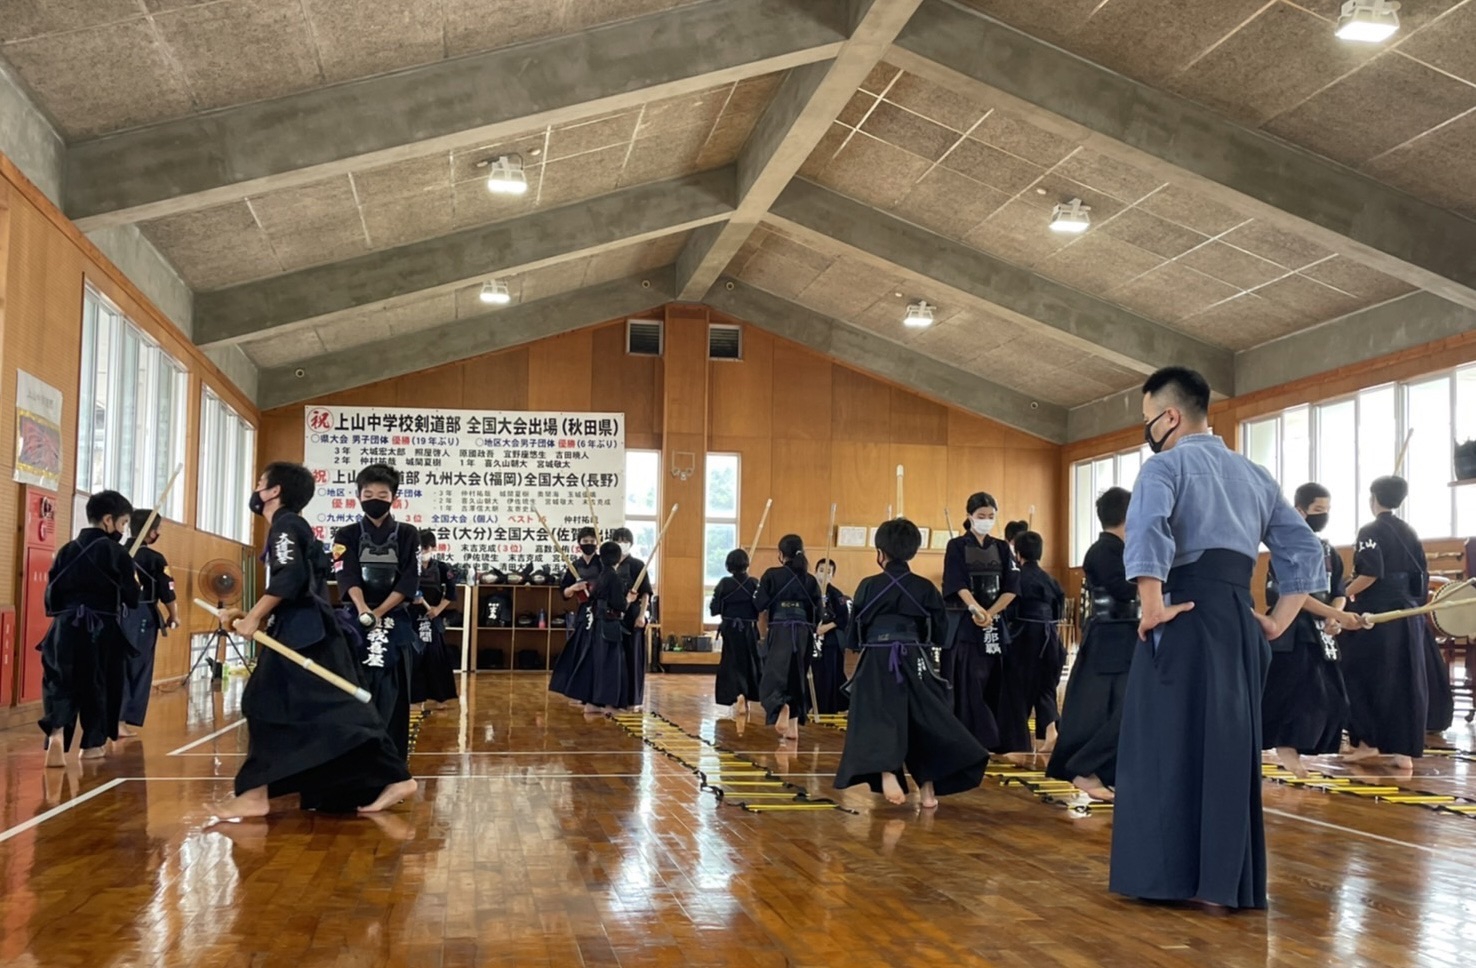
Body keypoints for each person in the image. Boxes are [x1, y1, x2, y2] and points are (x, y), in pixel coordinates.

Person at [1112, 366, 1325, 911]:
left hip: (1182, 615)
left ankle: (1165, 879)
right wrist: (1277, 618)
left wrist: (1153, 605)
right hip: (1238, 617)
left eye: (1146, 418)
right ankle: (1223, 883)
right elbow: (1306, 551)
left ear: (1170, 416)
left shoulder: (1164, 468)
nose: (1147, 429)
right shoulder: (1255, 475)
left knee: (1163, 744)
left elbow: (1148, 531)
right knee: (1228, 748)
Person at [211, 461, 415, 820]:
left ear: (274, 491)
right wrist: (245, 614)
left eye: (261, 483)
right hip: (303, 627)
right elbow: (298, 583)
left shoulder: (286, 525)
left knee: (270, 703)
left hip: (306, 633)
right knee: (321, 708)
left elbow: (289, 578)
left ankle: (257, 795)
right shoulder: (292, 527)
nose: (257, 489)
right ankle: (393, 776)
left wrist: (256, 615)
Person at [834, 518, 988, 809]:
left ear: (880, 553)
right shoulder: (925, 587)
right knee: (925, 718)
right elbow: (940, 633)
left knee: (874, 716)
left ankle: (887, 772)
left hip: (877, 656)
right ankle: (927, 788)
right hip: (916, 656)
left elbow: (855, 633)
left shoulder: (868, 585)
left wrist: (862, 642)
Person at [1262, 483, 1359, 777]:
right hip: (1290, 629)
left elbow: (1338, 589)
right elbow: (1295, 596)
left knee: (1332, 694)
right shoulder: (1285, 547)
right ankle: (1285, 746)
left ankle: (1305, 745)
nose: (1323, 516)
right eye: (1318, 510)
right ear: (1299, 510)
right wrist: (1334, 614)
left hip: (1322, 633)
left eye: (1327, 510)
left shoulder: (1329, 549)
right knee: (1292, 692)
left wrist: (1336, 615)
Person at [1046, 487, 1136, 800]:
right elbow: (1126, 590)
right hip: (1111, 636)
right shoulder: (1103, 551)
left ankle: (1102, 771)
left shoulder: (1122, 548)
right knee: (1109, 709)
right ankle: (1085, 769)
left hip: (1125, 636)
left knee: (1120, 708)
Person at [37, 490, 138, 766]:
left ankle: (56, 733)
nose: (124, 529)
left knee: (60, 681)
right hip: (100, 628)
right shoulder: (117, 553)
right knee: (98, 683)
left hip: (63, 627)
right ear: (109, 520)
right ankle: (92, 745)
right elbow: (132, 597)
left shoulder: (66, 549)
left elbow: (52, 596)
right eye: (124, 522)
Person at [1339, 476, 1433, 769]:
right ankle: (1404, 752)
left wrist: (1339, 593)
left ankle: (1367, 742)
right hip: (1407, 616)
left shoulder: (1370, 530)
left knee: (1363, 675)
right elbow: (1420, 577)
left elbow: (1370, 574)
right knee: (1405, 679)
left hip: (1376, 618)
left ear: (1373, 498)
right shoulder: (1409, 531)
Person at [332, 464, 421, 759]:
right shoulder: (345, 534)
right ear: (358, 496)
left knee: (394, 694)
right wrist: (363, 609)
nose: (374, 498)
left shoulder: (408, 534)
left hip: (394, 619)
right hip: (356, 621)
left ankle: (391, 761)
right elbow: (346, 575)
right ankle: (352, 758)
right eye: (367, 493)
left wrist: (381, 611)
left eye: (382, 494)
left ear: (393, 497)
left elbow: (410, 578)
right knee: (351, 689)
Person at [941, 493, 1019, 754]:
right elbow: (956, 582)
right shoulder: (956, 546)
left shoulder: (1002, 547)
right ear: (970, 516)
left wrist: (991, 613)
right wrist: (976, 609)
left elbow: (1011, 587)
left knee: (994, 680)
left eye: (991, 517)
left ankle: (995, 736)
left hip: (994, 623)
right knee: (967, 680)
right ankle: (969, 737)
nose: (986, 521)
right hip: (965, 622)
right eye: (981, 516)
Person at [757, 534, 822, 742]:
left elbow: (759, 605)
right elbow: (818, 613)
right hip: (803, 631)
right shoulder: (810, 579)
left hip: (781, 628)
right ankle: (794, 726)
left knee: (774, 674)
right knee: (797, 675)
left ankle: (781, 706)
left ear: (780, 554)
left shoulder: (771, 575)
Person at [119, 508, 179, 735]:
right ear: (150, 532)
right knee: (138, 666)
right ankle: (122, 720)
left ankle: (114, 718)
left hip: (114, 616)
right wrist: (174, 615)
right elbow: (167, 590)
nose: (159, 533)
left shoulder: (115, 552)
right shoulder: (154, 558)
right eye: (158, 529)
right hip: (141, 614)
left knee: (118, 665)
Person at [1009, 531, 1065, 753]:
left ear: (1018, 552)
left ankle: (1020, 742)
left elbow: (1010, 610)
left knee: (1019, 689)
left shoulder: (1016, 578)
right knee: (1046, 686)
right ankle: (1050, 731)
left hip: (1024, 636)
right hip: (1050, 636)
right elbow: (1059, 611)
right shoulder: (1051, 580)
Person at [562, 542, 629, 714]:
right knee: (610, 665)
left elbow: (591, 598)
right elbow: (619, 605)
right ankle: (608, 705)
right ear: (617, 557)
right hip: (609, 625)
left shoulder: (601, 576)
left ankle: (593, 703)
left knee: (598, 663)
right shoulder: (613, 577)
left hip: (598, 624)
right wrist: (628, 599)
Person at [548, 527, 603, 702]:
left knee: (597, 651)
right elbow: (564, 593)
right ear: (579, 544)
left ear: (597, 543)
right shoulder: (574, 566)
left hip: (601, 611)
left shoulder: (603, 564)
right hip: (582, 612)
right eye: (585, 541)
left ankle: (598, 691)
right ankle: (578, 690)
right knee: (579, 649)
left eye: (592, 541)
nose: (589, 544)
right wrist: (574, 588)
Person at [410, 529, 459, 710]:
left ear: (432, 547)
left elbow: (452, 592)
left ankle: (440, 698)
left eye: (425, 548)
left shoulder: (442, 568)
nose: (422, 552)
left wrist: (438, 609)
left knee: (435, 657)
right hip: (412, 619)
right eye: (419, 549)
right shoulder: (409, 567)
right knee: (414, 657)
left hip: (432, 618)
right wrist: (409, 598)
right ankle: (415, 699)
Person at [711, 549, 762, 719]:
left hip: (730, 628)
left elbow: (714, 609)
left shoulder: (724, 583)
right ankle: (747, 695)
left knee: (731, 662)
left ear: (729, 565)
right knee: (750, 662)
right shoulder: (754, 583)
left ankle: (737, 694)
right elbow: (760, 606)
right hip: (749, 628)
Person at [611, 527, 654, 711]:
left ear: (631, 543)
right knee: (613, 658)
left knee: (633, 657)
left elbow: (645, 594)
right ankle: (614, 697)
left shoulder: (637, 565)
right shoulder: (609, 565)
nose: (622, 543)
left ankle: (632, 700)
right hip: (613, 616)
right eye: (618, 540)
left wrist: (641, 615)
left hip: (632, 616)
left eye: (625, 540)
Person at [812, 558, 852, 715]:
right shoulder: (809, 591)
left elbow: (844, 618)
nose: (824, 575)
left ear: (832, 575)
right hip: (813, 639)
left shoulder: (836, 595)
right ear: (815, 572)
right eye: (821, 570)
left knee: (829, 673)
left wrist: (826, 627)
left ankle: (828, 707)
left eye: (828, 572)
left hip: (830, 640)